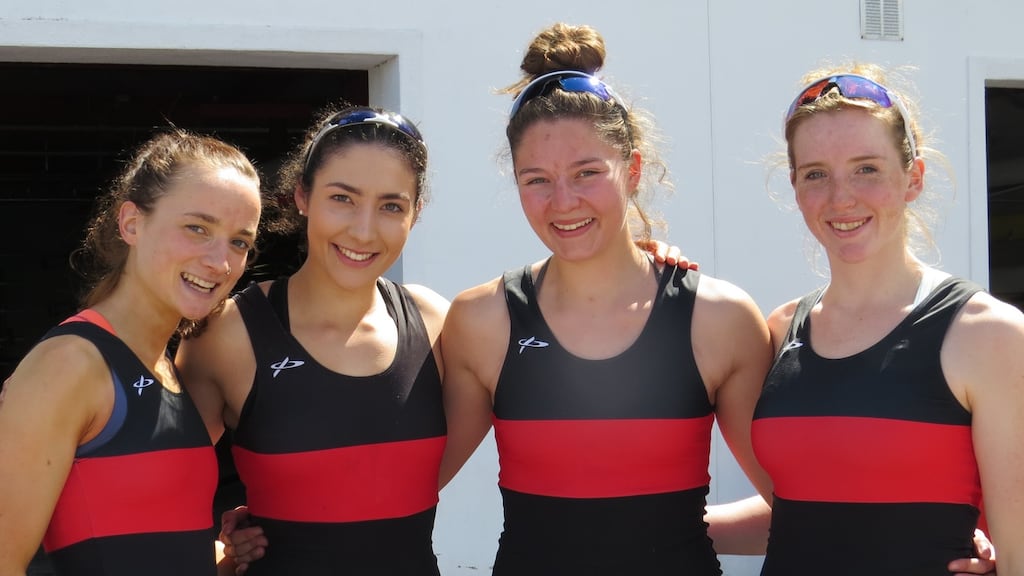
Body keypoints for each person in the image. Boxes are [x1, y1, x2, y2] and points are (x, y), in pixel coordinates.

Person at [438, 23, 776, 575]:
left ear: (633, 170)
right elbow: (400, 490)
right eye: (536, 179)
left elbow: (805, 504)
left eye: (587, 172)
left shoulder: (718, 319)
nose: (563, 201)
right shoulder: (482, 320)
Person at [750, 64, 1023, 574]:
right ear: (795, 188)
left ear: (913, 178)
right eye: (816, 174)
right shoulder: (779, 328)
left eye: (867, 168)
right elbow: (802, 511)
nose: (841, 197)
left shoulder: (988, 334)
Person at [176, 105, 452, 576]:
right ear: (302, 196)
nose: (363, 230)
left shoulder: (436, 324)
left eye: (391, 206)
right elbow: (155, 492)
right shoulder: (229, 334)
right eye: (342, 198)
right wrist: (221, 557)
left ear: (416, 213)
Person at [0, 129, 263, 576]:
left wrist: (222, 558)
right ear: (131, 224)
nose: (220, 262)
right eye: (197, 228)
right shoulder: (70, 363)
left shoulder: (168, 366)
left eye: (239, 241)